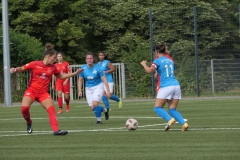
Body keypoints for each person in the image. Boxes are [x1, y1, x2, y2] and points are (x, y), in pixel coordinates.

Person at [9, 43, 84, 135]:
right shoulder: (35, 64)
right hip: (31, 91)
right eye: (54, 57)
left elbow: (61, 76)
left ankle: (56, 130)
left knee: (51, 110)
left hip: (43, 93)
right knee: (24, 109)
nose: (55, 59)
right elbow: (22, 68)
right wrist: (15, 69)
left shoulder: (53, 67)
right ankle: (29, 122)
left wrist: (74, 74)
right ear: (48, 56)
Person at [140, 43, 189, 132]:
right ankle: (184, 124)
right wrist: (158, 73)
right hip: (176, 85)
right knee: (172, 109)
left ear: (157, 52)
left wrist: (144, 64)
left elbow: (149, 71)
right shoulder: (169, 60)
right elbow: (172, 73)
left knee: (157, 108)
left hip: (166, 86)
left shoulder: (157, 60)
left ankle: (170, 120)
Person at [78, 52, 111, 124]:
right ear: (85, 60)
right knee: (92, 108)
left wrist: (108, 91)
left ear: (93, 59)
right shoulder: (83, 68)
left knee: (95, 104)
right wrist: (79, 90)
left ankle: (99, 120)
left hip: (98, 86)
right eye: (88, 58)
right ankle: (105, 110)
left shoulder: (98, 68)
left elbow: (104, 79)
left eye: (91, 58)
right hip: (88, 88)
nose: (89, 60)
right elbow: (80, 80)